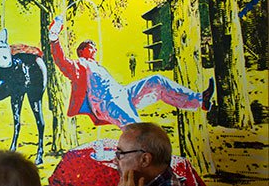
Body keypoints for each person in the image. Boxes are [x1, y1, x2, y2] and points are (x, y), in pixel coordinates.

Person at [48, 16, 214, 127]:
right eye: (89, 46)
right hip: (109, 103)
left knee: (157, 81)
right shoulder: (81, 65)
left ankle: (199, 100)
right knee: (136, 130)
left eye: (94, 46)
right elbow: (61, 62)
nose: (93, 47)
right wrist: (54, 37)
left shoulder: (97, 65)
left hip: (123, 93)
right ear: (82, 50)